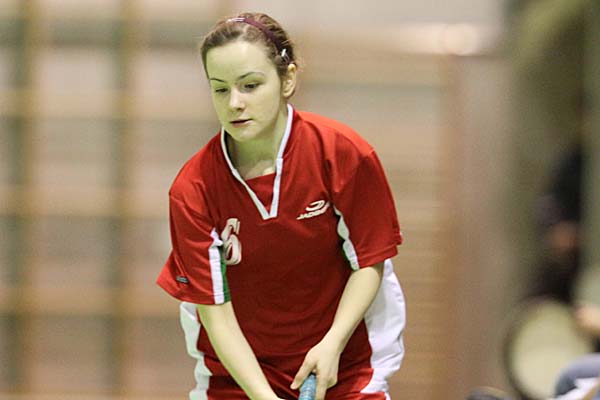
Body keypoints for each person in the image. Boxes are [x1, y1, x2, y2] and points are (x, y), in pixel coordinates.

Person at [156, 12, 406, 400]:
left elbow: (369, 260)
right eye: (220, 89)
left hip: (345, 365)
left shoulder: (342, 154)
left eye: (250, 85)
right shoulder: (193, 189)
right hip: (236, 378)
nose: (234, 103)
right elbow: (216, 315)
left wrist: (333, 344)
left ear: (287, 79)